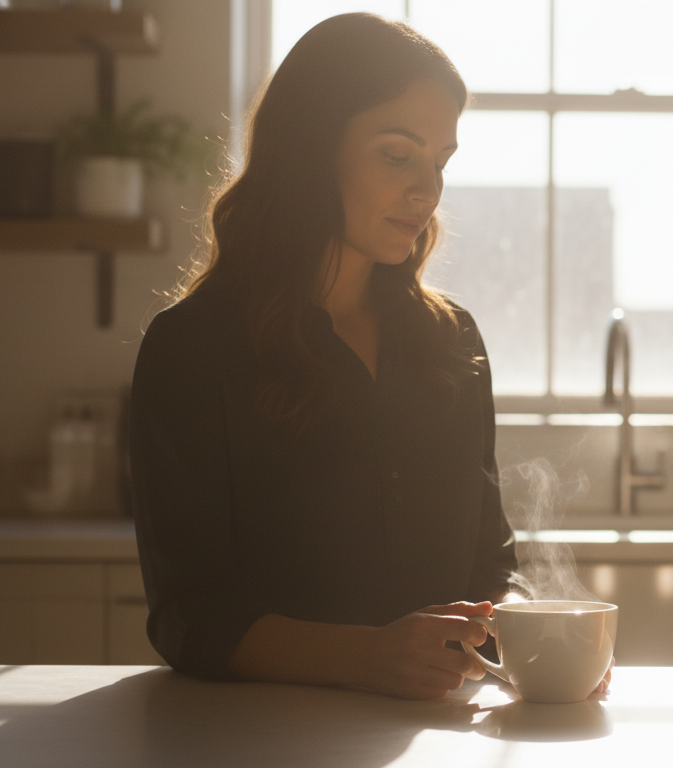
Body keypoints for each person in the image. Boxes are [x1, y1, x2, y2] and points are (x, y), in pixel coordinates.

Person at [129, 13, 553, 701]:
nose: (428, 189)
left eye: (440, 162)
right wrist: (365, 658)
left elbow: (490, 566)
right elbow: (189, 615)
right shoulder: (192, 347)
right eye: (397, 154)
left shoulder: (453, 341)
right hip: (258, 742)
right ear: (310, 146)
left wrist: (535, 641)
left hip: (435, 738)